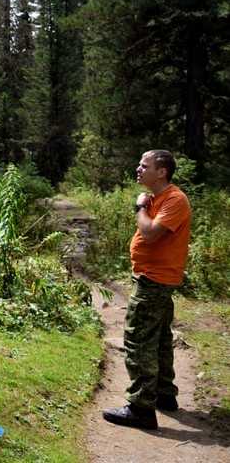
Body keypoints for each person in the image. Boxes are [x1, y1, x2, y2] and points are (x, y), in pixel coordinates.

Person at [102, 150, 192, 430]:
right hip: (155, 278)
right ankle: (164, 394)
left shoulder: (174, 199)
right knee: (160, 337)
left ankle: (140, 407)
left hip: (154, 280)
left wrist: (140, 207)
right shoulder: (159, 198)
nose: (138, 169)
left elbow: (151, 233)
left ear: (162, 172)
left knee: (138, 340)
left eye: (145, 166)